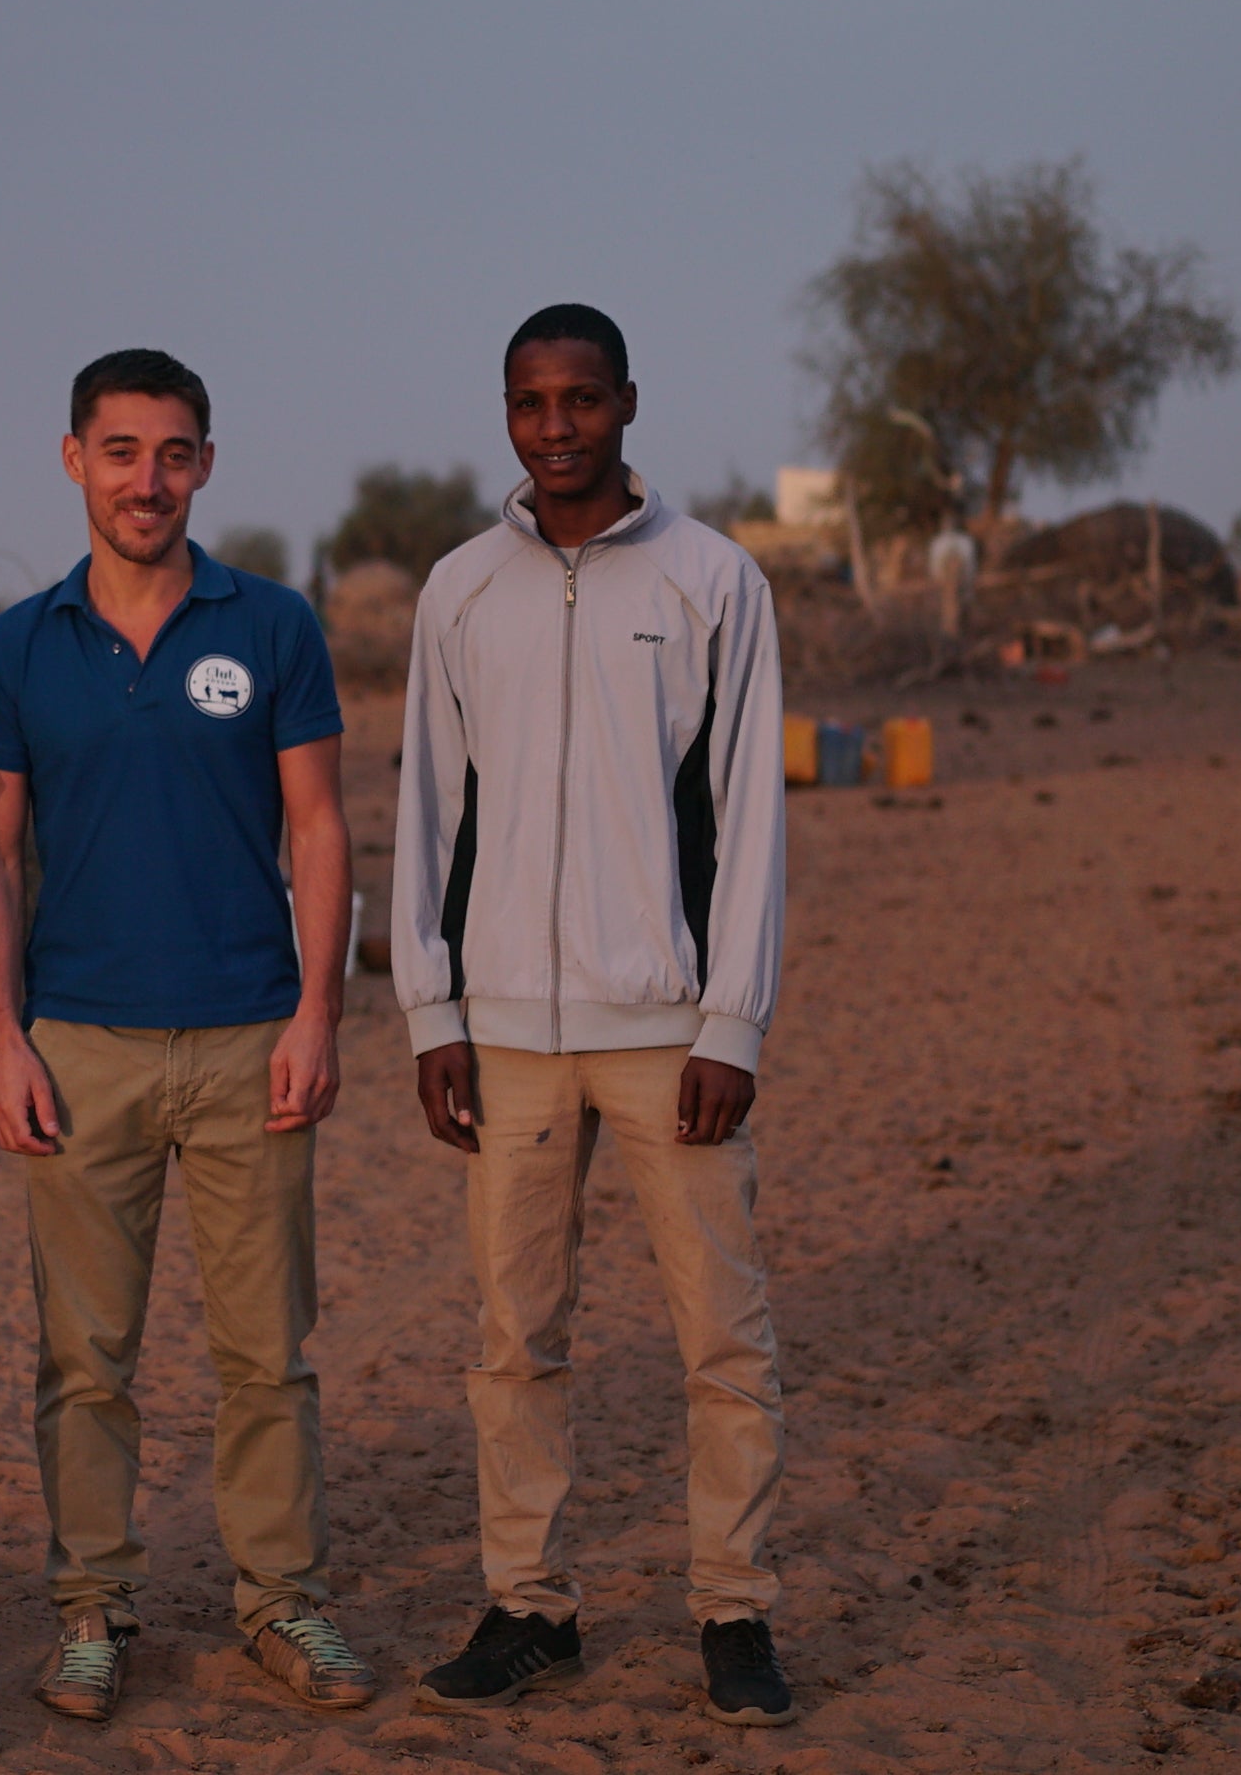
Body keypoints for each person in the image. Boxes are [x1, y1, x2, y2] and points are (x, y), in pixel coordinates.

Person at [390, 305, 797, 1728]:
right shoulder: (459, 589)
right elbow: (429, 812)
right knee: (514, 1340)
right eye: (527, 403)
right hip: (503, 1034)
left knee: (723, 1343)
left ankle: (735, 1614)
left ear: (626, 403)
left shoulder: (711, 580)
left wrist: (731, 1024)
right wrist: (432, 1012)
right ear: (504, 413)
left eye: (579, 400)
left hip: (666, 1029)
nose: (553, 428)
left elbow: (749, 821)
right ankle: (530, 1608)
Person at [0, 349, 374, 1720]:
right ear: (73, 458)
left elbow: (318, 826)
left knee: (269, 1356)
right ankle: (93, 1611)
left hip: (255, 1033)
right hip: (80, 1047)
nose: (150, 479)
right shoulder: (18, 647)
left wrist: (320, 1011)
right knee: (86, 1363)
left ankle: (285, 1604)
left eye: (176, 451)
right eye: (123, 450)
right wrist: (5, 1041)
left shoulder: (272, 628)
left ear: (206, 463)